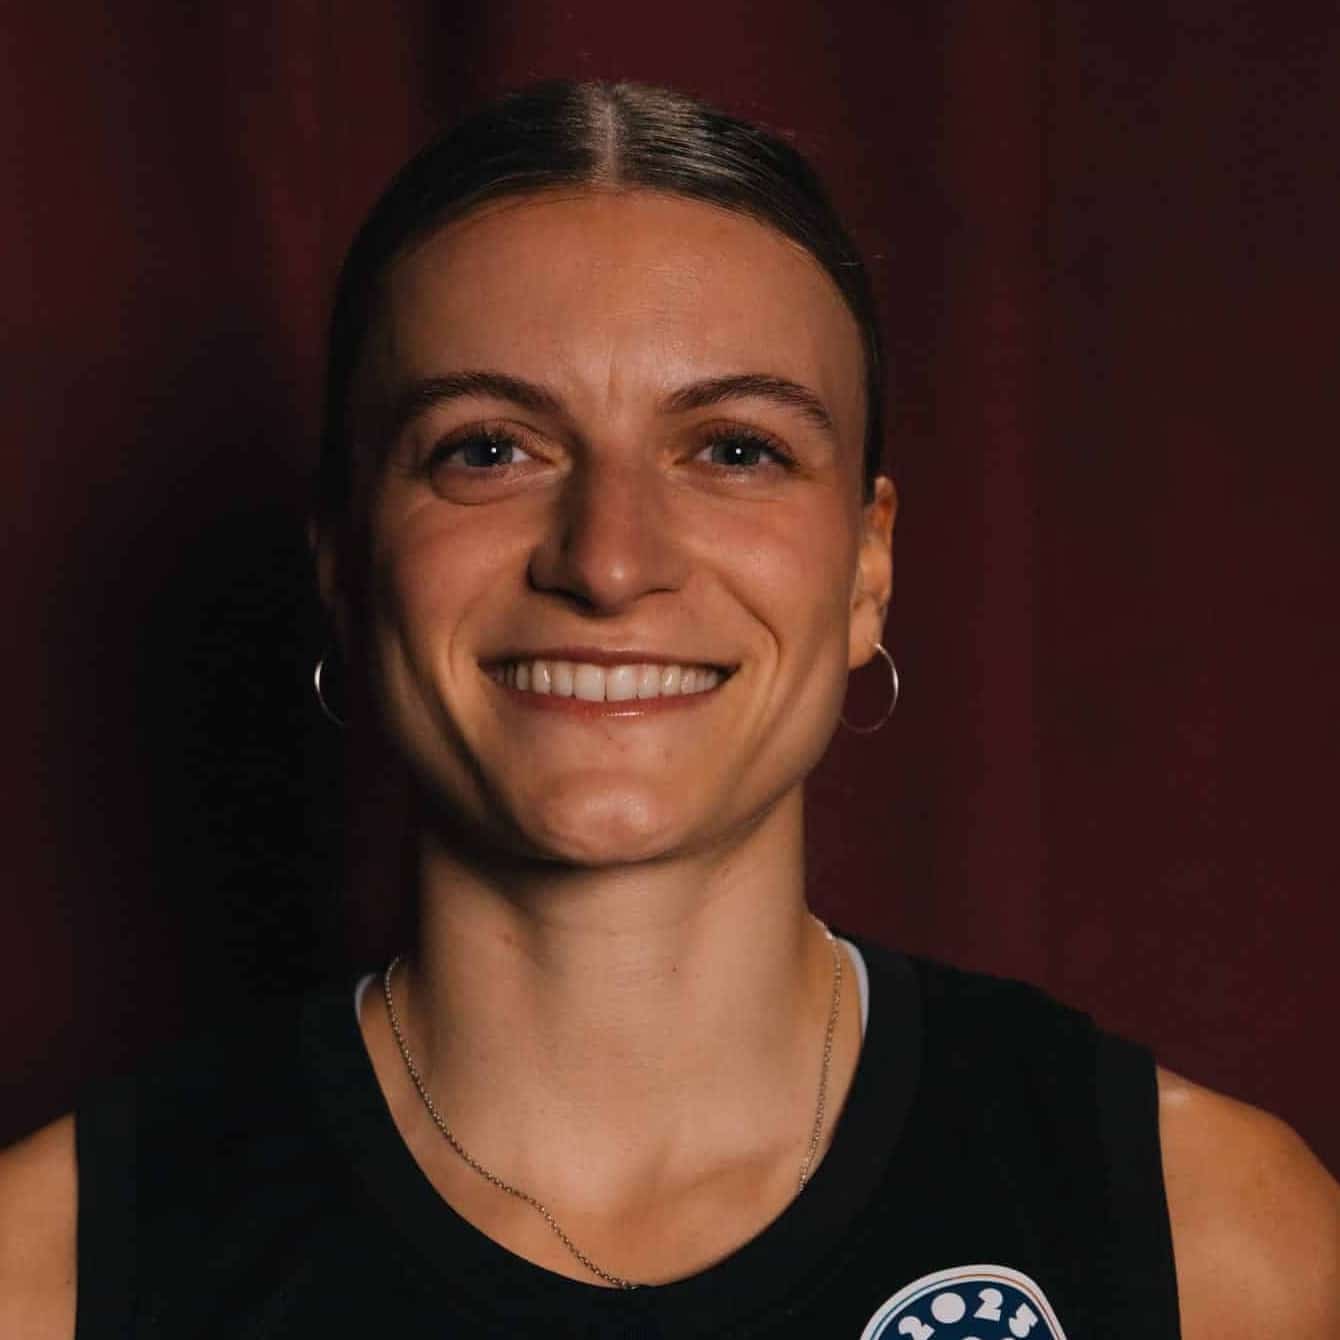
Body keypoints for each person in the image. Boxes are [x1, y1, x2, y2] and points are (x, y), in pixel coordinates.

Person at [2, 79, 1336, 1339]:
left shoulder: (1211, 1242)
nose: (609, 560)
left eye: (737, 450)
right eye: (489, 448)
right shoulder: (51, 1274)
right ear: (347, 563)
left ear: (867, 569)